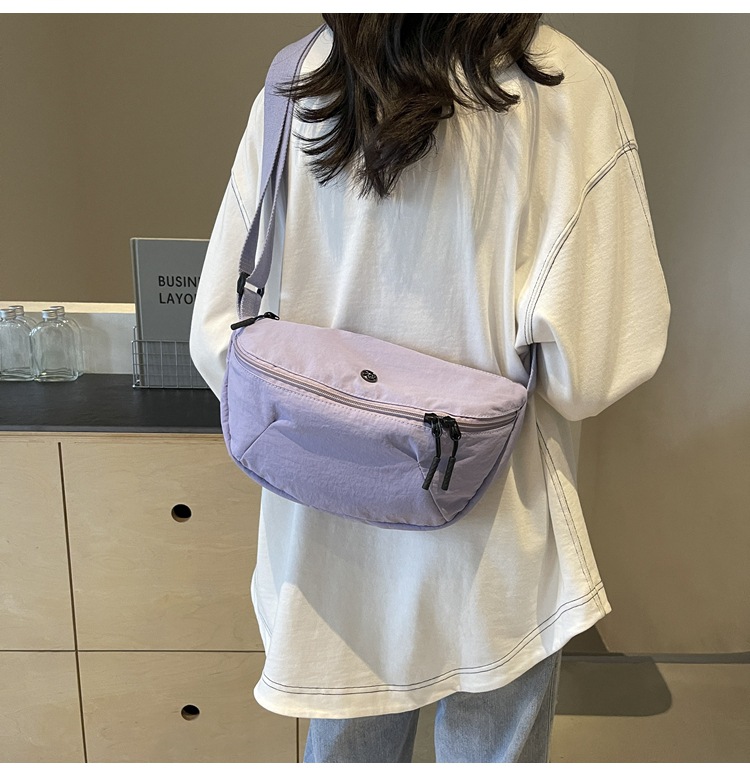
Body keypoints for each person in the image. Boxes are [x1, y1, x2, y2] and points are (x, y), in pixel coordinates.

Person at [190, 14, 670, 763]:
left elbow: (218, 337)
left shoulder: (302, 75)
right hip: (493, 534)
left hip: (327, 538)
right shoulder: (565, 83)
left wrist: (347, 411)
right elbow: (593, 372)